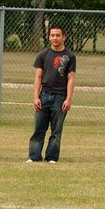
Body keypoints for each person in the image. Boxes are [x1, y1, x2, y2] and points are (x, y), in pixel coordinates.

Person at [27, 26, 76, 163]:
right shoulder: (43, 54)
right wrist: (36, 97)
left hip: (60, 97)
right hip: (44, 96)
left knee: (56, 130)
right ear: (49, 37)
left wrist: (68, 99)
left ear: (64, 37)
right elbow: (38, 77)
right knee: (38, 129)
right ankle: (34, 156)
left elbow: (71, 78)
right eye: (52, 35)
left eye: (58, 35)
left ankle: (52, 157)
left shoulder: (70, 56)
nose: (55, 38)